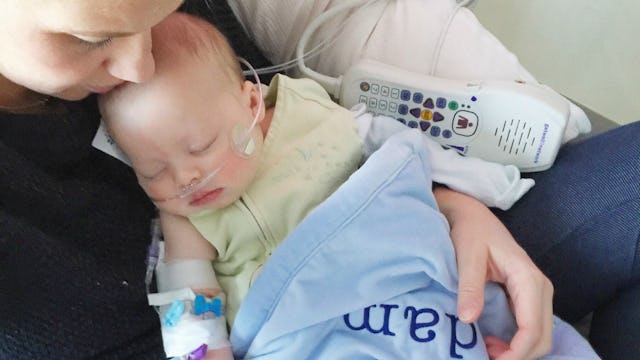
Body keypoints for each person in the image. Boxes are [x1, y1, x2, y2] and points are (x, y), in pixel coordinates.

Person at [0, 0, 620, 358]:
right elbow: (185, 291)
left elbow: (385, 143)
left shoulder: (288, 103)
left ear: (251, 105)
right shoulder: (184, 221)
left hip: (427, 258)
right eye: (92, 36)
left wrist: (461, 204)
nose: (138, 63)